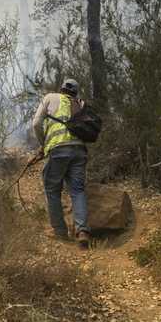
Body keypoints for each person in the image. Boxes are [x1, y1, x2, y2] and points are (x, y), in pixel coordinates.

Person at [30, 79, 91, 249]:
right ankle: (83, 231)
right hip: (79, 150)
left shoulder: (50, 97)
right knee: (77, 190)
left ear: (62, 89)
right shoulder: (80, 103)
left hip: (58, 150)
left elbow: (36, 124)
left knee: (52, 189)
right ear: (75, 92)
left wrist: (43, 145)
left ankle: (60, 231)